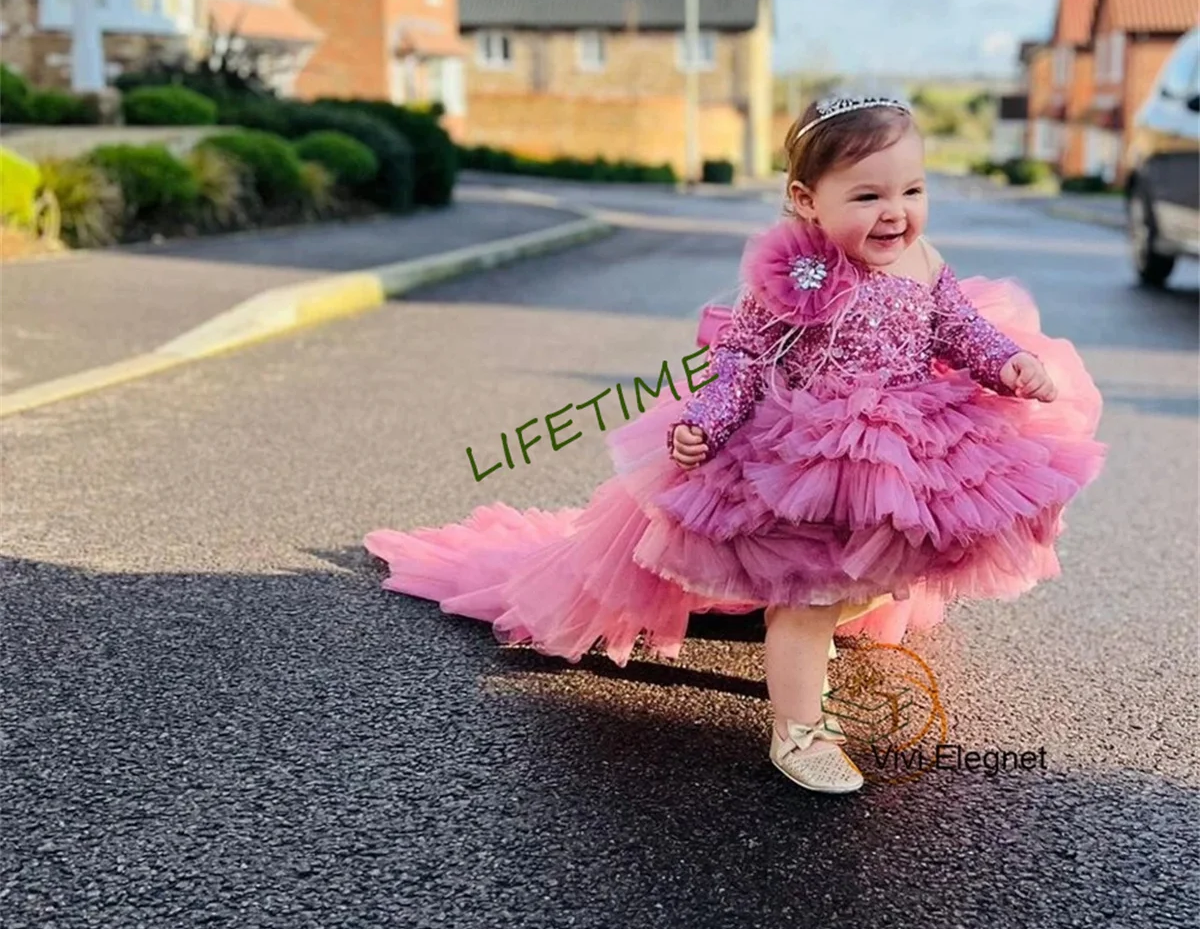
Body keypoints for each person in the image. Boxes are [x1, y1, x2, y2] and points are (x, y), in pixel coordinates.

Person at [365, 94, 1106, 796]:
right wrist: (709, 422)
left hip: (908, 441)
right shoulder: (800, 273)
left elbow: (959, 327)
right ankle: (799, 731)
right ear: (806, 200)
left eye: (911, 191)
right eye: (867, 196)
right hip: (808, 453)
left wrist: (1007, 364)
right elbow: (743, 360)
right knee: (806, 592)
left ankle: (813, 655)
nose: (896, 214)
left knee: (870, 572)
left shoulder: (923, 262)